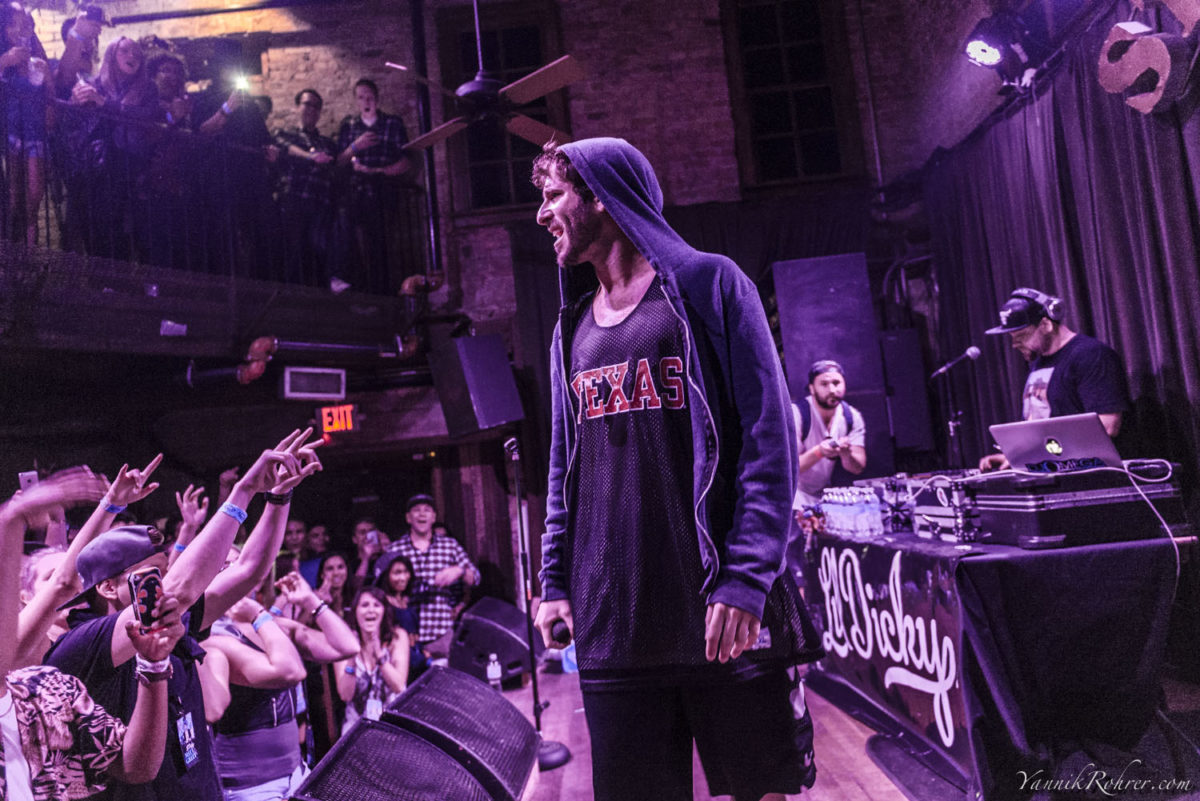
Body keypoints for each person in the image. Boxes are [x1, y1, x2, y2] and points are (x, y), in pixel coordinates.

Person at [530, 138, 821, 801]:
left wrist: (747, 579)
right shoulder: (571, 327)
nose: (542, 215)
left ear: (601, 194)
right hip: (615, 621)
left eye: (553, 196)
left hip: (719, 612)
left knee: (763, 789)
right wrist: (553, 578)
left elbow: (768, 440)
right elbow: (561, 470)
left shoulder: (709, 285)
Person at [44, 430, 320, 801]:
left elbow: (250, 568)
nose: (161, 582)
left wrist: (278, 496)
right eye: (149, 575)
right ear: (108, 588)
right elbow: (175, 591)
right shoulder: (82, 644)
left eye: (163, 570)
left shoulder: (173, 619)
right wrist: (242, 491)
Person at [0, 466, 185, 801]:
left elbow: (136, 768)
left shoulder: (53, 688)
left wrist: (154, 666)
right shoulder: (70, 651)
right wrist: (11, 522)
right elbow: (62, 584)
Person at [978, 287, 1131, 471]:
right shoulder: (1038, 362)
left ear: (1046, 325)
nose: (1014, 344)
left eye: (1021, 336)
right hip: (1052, 470)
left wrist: (1034, 455)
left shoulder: (1091, 355)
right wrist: (1015, 455)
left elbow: (1107, 426)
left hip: (1089, 474)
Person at [333, 77, 413, 293]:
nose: (365, 101)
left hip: (382, 191)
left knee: (379, 245)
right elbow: (339, 162)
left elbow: (406, 162)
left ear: (376, 99)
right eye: (361, 97)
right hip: (355, 192)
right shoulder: (349, 125)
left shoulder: (392, 123)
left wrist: (377, 171)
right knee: (347, 233)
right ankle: (352, 284)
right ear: (356, 101)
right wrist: (354, 147)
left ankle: (381, 293)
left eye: (369, 96)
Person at [376, 494, 478, 657]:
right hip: (404, 635)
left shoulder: (449, 545)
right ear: (408, 518)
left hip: (441, 633)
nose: (422, 514)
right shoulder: (395, 549)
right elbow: (380, 590)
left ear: (434, 517)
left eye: (427, 510)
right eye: (416, 510)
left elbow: (475, 578)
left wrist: (460, 571)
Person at [275, 89, 338, 287]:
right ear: (297, 107)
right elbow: (284, 147)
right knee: (293, 253)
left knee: (319, 255)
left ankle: (321, 303)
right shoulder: (285, 134)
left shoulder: (327, 143)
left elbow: (336, 163)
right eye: (307, 104)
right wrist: (310, 157)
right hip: (293, 200)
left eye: (316, 106)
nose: (312, 109)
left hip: (321, 204)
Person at [333, 586, 408, 735]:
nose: (371, 610)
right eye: (365, 605)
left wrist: (380, 656)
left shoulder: (398, 637)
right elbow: (345, 695)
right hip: (355, 728)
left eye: (376, 605)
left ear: (384, 611)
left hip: (391, 726)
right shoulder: (344, 642)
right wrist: (352, 657)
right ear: (355, 611)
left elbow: (399, 686)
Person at [792, 360, 867, 509]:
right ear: (812, 388)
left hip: (822, 496)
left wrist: (846, 454)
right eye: (824, 384)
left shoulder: (851, 416)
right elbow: (790, 467)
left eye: (836, 382)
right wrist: (820, 452)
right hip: (794, 495)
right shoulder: (797, 414)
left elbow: (858, 467)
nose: (832, 389)